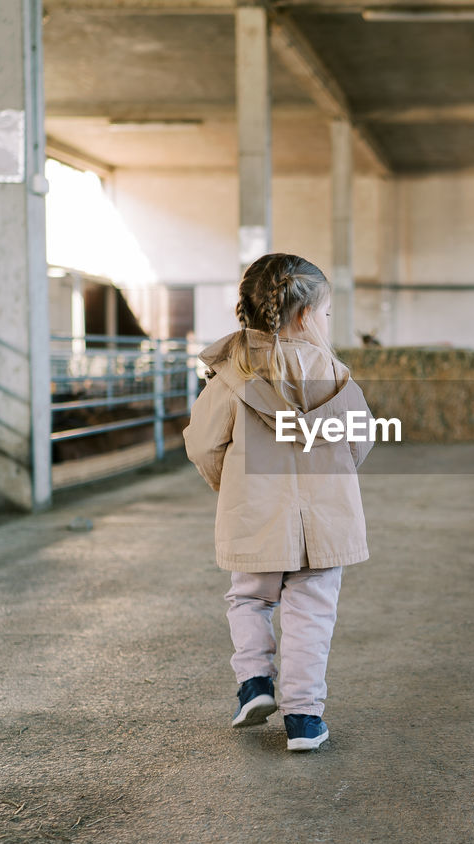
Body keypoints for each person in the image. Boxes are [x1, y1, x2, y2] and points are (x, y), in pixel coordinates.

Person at [184, 253, 374, 752]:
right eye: (327, 314)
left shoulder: (232, 375)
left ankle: (254, 685)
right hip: (325, 523)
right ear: (307, 316)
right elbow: (361, 440)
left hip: (256, 515)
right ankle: (305, 720)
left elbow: (203, 443)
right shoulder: (335, 374)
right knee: (311, 612)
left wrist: (228, 487)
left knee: (250, 597)